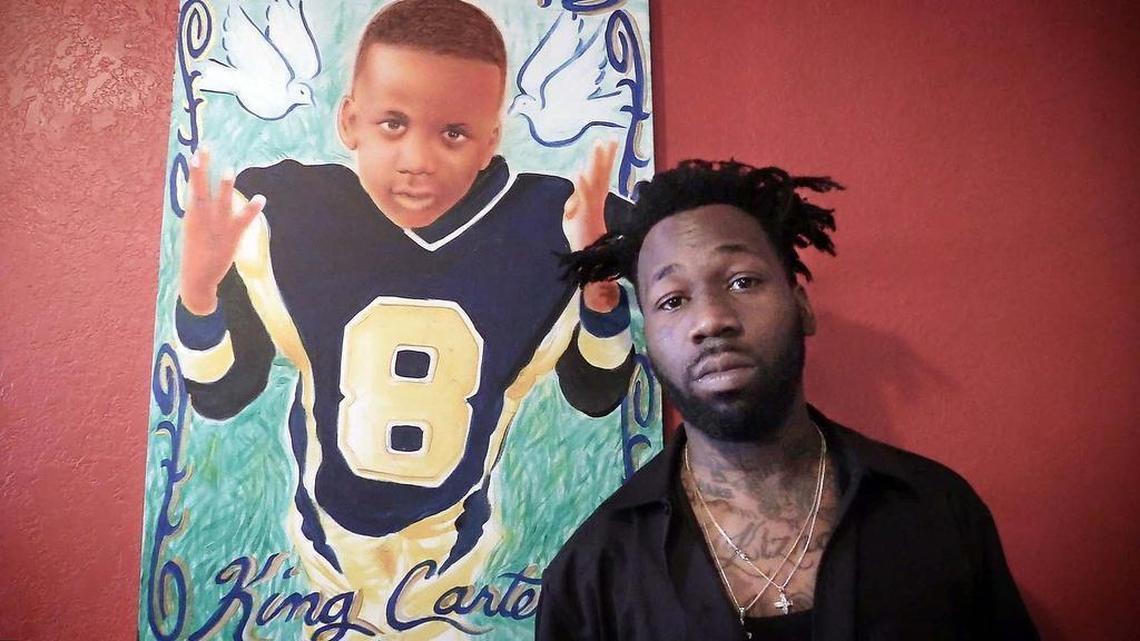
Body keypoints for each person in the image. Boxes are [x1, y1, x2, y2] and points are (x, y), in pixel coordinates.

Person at [174, 0, 636, 637]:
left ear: (490, 140)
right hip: (323, 558)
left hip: (458, 559)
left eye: (452, 133)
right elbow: (222, 392)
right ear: (349, 120)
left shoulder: (555, 222)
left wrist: (602, 295)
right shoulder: (285, 211)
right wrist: (199, 294)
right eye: (393, 123)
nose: (417, 158)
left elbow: (598, 392)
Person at [538, 159, 1038, 640]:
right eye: (673, 300)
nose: (711, 320)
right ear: (649, 341)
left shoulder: (938, 512)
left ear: (802, 308)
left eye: (742, 281)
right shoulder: (594, 573)